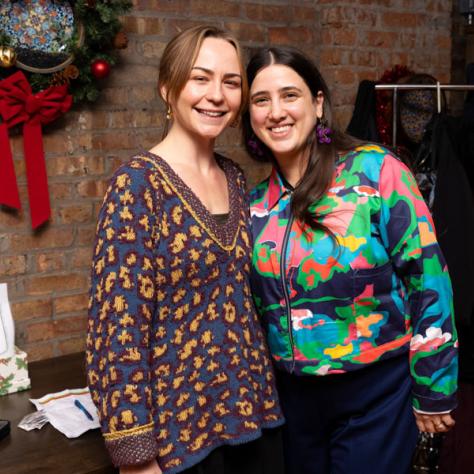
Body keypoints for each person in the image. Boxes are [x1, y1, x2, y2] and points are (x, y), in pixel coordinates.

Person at [242, 46, 458, 474]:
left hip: (375, 395)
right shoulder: (252, 208)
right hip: (293, 403)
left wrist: (436, 387)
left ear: (318, 103)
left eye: (290, 95)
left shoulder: (375, 172)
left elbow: (428, 278)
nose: (276, 111)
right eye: (261, 100)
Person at [86, 26, 284, 474]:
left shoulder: (235, 178)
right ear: (167, 88)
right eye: (200, 78)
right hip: (180, 443)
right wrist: (137, 459)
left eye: (230, 82)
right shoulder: (136, 185)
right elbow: (116, 330)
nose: (216, 95)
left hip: (254, 423)